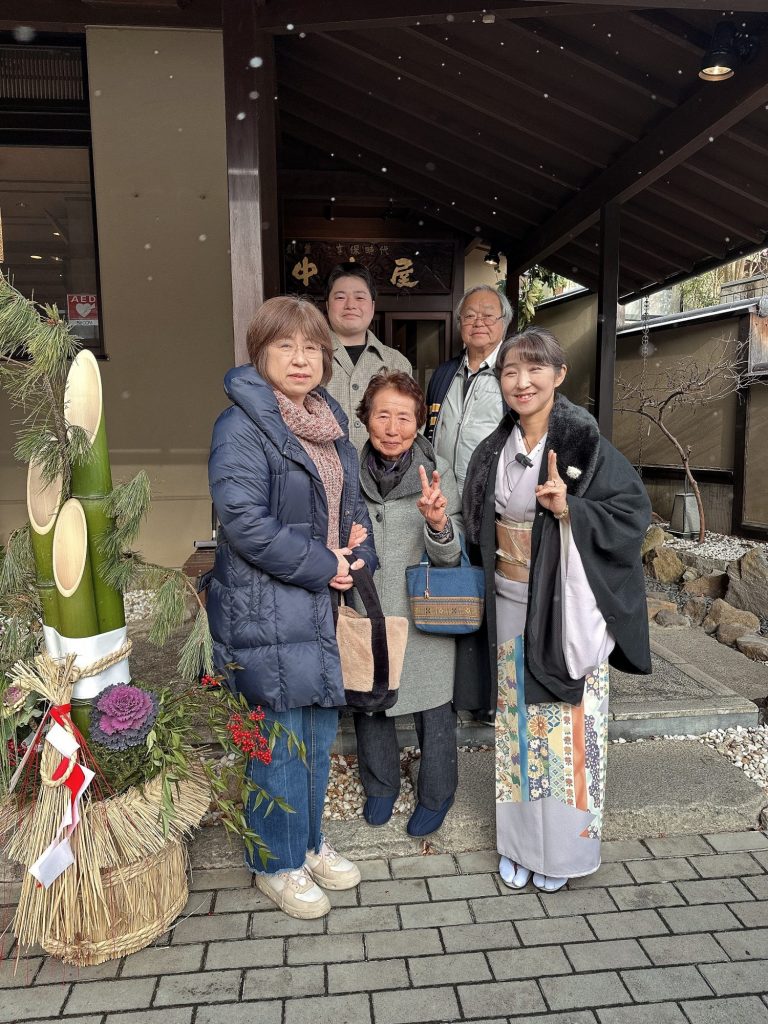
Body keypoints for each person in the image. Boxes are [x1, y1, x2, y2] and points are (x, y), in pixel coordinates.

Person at [459, 327, 651, 892]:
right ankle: (519, 846)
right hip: (510, 609)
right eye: (510, 372)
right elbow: (477, 530)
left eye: (534, 369)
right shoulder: (494, 449)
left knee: (568, 733)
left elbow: (632, 514)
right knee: (519, 733)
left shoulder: (585, 446)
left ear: (559, 376)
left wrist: (573, 510)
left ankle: (564, 854)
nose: (522, 382)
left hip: (564, 613)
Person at [207, 295, 377, 920]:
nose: (301, 359)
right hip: (265, 610)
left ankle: (307, 843)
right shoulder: (243, 425)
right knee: (277, 740)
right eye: (286, 347)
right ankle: (274, 865)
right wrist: (324, 563)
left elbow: (349, 509)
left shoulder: (327, 421)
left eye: (312, 348)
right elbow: (243, 523)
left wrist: (358, 555)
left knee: (316, 733)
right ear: (260, 354)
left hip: (320, 609)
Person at [351, 371, 462, 836]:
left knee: (434, 708)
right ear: (366, 419)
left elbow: (452, 557)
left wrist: (438, 524)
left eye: (404, 416)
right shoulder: (346, 473)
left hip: (423, 611)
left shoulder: (439, 474)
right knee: (369, 699)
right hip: (367, 606)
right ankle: (381, 786)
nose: (392, 428)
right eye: (383, 415)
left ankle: (437, 793)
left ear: (419, 423)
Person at [425, 284, 511, 495]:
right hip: (442, 492)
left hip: (492, 496)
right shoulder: (444, 373)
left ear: (504, 322)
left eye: (488, 315)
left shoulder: (513, 373)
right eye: (470, 316)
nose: (479, 322)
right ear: (459, 323)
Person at [324, 261, 412, 451]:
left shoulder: (397, 362)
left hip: (383, 477)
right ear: (327, 305)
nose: (350, 305)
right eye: (340, 297)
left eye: (359, 297)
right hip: (323, 477)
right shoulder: (311, 358)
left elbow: (411, 423)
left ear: (372, 306)